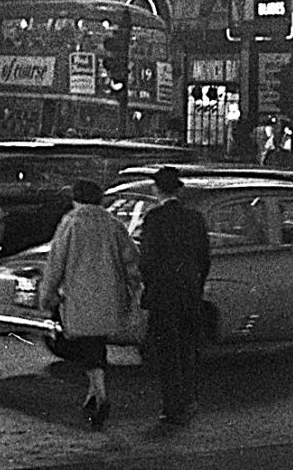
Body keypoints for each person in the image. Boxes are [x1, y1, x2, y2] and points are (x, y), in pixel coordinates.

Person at [39, 179, 141, 429]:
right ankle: (93, 394)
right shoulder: (113, 224)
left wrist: (47, 294)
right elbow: (131, 261)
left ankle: (101, 395)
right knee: (96, 344)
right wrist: (134, 289)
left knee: (87, 346)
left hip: (79, 295)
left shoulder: (71, 223)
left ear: (76, 199)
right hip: (110, 294)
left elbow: (56, 263)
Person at [138, 167, 211, 427]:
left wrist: (150, 285)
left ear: (157, 190)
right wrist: (196, 284)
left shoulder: (154, 219)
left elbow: (146, 260)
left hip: (163, 293)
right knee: (189, 348)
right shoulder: (195, 218)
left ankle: (171, 407)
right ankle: (189, 400)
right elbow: (204, 258)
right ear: (178, 189)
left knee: (167, 352)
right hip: (189, 291)